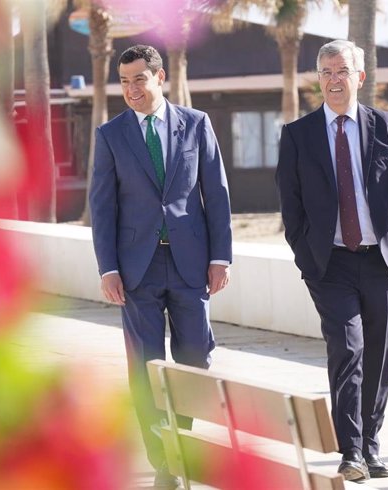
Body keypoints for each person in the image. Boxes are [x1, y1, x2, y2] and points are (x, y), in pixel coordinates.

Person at [275, 39, 388, 483]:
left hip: (383, 261)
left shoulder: (385, 124)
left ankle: (370, 446)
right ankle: (350, 452)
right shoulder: (298, 135)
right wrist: (307, 258)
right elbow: (291, 208)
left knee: (379, 356)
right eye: (325, 72)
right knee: (348, 349)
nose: (333, 80)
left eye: (341, 71)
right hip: (331, 265)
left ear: (359, 77)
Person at [89, 44, 232, 489]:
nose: (131, 89)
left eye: (139, 79)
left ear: (160, 77)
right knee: (145, 367)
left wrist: (220, 256)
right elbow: (102, 207)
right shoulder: (111, 135)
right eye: (124, 81)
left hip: (191, 264)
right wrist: (107, 267)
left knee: (193, 363)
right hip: (137, 270)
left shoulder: (196, 124)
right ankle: (164, 463)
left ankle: (179, 449)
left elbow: (217, 195)